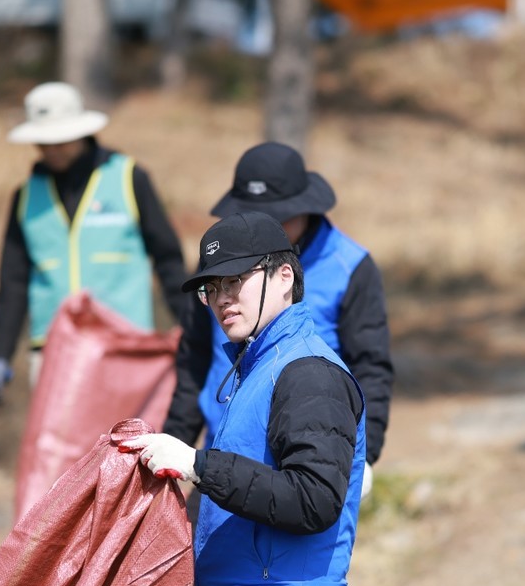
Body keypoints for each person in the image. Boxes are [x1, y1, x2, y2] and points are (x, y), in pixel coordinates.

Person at [117, 211, 364, 586]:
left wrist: (200, 465)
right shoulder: (249, 371)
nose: (222, 297)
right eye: (211, 287)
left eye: (235, 281)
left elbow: (314, 501)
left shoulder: (309, 373)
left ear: (284, 277)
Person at [165, 140, 392, 492]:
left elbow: (371, 367)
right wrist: (176, 440)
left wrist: (367, 456)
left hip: (301, 460)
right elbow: (194, 358)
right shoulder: (218, 267)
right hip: (219, 457)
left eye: (278, 215)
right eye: (215, 288)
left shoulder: (350, 267)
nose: (222, 293)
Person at [0, 81, 192, 393]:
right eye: (43, 142)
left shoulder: (128, 178)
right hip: (53, 351)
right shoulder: (25, 197)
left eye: (60, 140)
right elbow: (13, 282)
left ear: (81, 132)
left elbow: (168, 259)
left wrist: (191, 325)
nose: (52, 149)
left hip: (126, 345)